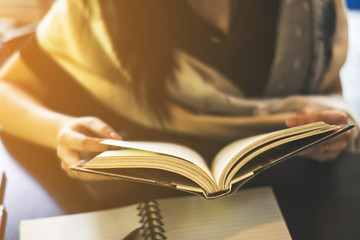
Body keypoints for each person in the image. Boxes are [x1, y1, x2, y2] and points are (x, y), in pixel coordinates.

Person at [0, 0, 358, 193]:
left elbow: (324, 88)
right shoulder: (98, 9)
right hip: (145, 201)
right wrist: (62, 130)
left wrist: (321, 128)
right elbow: (7, 90)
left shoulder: (312, 7)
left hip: (293, 196)